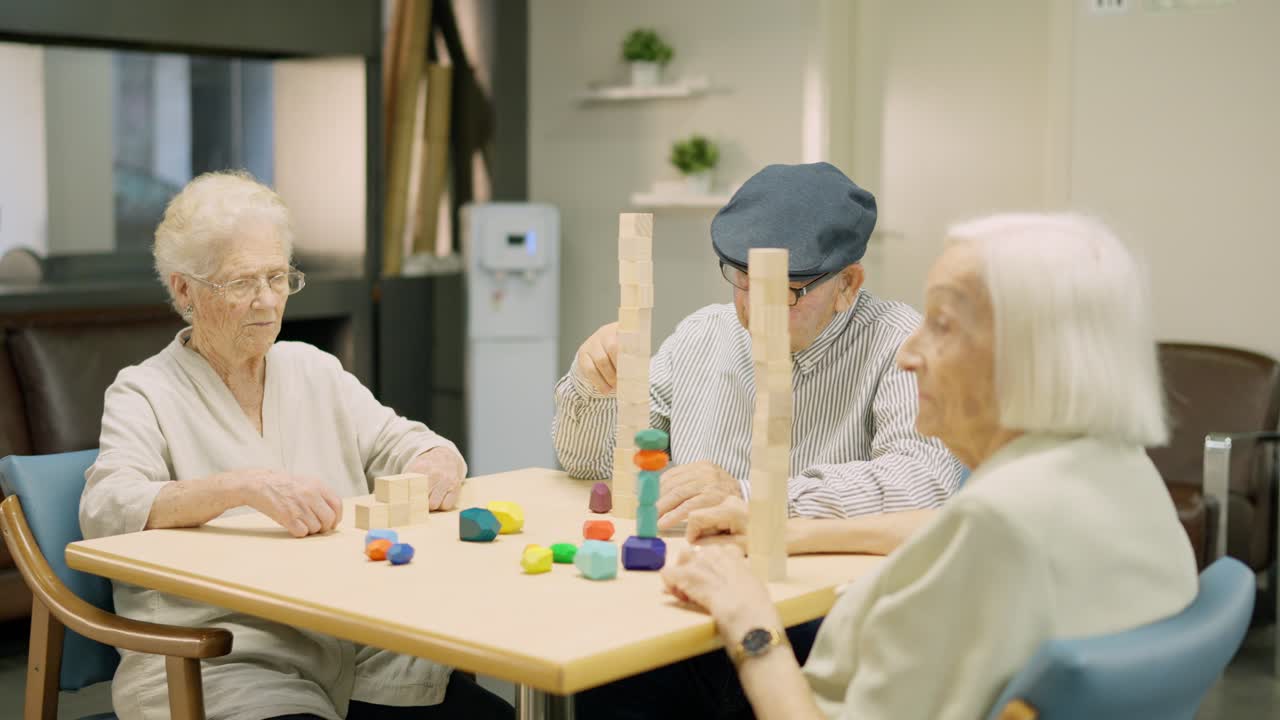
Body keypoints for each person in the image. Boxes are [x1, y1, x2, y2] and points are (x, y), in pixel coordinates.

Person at [649, 213, 1198, 720]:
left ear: (1028, 354)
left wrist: (750, 620)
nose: (909, 355)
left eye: (941, 324)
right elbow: (948, 524)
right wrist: (794, 531)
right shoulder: (1116, 471)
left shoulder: (1000, 524)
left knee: (642, 678)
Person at [80, 171, 512, 720]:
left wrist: (436, 462)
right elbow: (106, 507)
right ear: (184, 288)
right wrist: (240, 487)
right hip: (223, 658)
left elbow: (406, 441)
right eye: (241, 283)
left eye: (278, 277)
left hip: (350, 643)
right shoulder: (144, 390)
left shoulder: (313, 368)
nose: (266, 302)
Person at [552, 162, 964, 534]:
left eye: (783, 289)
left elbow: (924, 484)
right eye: (742, 277)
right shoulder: (703, 334)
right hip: (698, 573)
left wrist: (753, 498)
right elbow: (595, 468)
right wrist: (592, 388)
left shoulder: (900, 344)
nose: (750, 306)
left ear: (847, 285)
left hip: (818, 596)